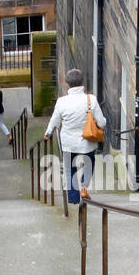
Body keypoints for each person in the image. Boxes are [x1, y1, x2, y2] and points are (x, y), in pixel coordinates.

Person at [44, 68, 107, 205]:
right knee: (89, 165)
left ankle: (73, 199)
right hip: (87, 141)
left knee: (69, 170)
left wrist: (48, 132)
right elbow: (101, 122)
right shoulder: (91, 99)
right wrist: (101, 124)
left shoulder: (61, 102)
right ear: (82, 82)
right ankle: (84, 188)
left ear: (67, 84)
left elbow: (55, 121)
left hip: (68, 143)